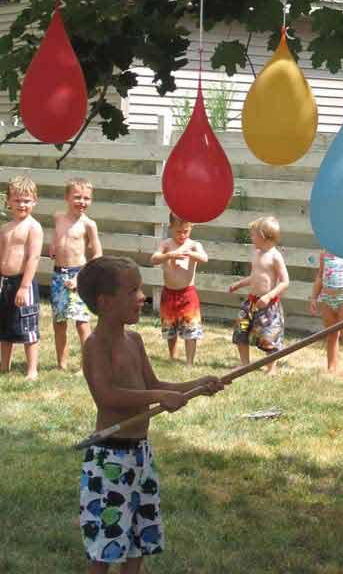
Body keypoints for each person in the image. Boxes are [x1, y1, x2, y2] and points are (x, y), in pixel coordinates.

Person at [77, 255, 225, 572]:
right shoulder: (96, 345)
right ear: (105, 302)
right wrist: (159, 396)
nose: (142, 297)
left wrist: (196, 384)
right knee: (106, 541)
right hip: (111, 459)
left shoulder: (135, 339)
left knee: (138, 539)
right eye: (132, 291)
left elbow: (155, 384)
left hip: (140, 455)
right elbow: (106, 396)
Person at [50, 176, 102, 370]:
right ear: (67, 198)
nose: (82, 202)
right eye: (77, 197)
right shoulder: (58, 217)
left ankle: (88, 365)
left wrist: (79, 277)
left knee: (82, 322)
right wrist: (53, 244)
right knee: (59, 322)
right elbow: (57, 234)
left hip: (78, 276)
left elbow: (97, 254)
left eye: (86, 198)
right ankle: (61, 364)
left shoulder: (89, 224)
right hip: (58, 276)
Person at [229, 216, 289, 375]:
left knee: (269, 336)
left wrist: (269, 296)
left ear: (263, 236)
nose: (251, 237)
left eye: (253, 235)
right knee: (241, 330)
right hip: (251, 302)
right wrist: (239, 284)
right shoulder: (256, 253)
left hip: (268, 305)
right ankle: (244, 364)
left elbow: (285, 281)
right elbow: (255, 276)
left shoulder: (275, 256)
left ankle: (271, 368)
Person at [0, 174, 43, 380]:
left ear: (34, 201)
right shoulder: (5, 229)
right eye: (17, 200)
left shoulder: (34, 227)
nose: (21, 204)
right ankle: (4, 365)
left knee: (28, 327)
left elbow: (34, 258)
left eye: (26, 200)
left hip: (23, 282)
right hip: (5, 282)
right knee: (4, 325)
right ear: (8, 201)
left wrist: (24, 287)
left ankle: (32, 369)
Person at [151, 213, 207, 366]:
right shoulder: (166, 244)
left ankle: (189, 361)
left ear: (191, 229)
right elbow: (154, 258)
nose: (182, 235)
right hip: (169, 293)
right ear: (170, 228)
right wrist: (169, 255)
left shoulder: (194, 245)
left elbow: (204, 258)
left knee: (191, 328)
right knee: (170, 328)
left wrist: (191, 254)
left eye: (186, 231)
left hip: (187, 294)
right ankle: (172, 355)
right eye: (178, 231)